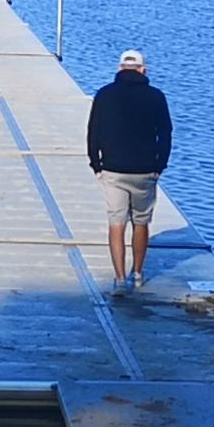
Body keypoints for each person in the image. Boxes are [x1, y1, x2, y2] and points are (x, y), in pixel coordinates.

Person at [84, 47, 172, 294]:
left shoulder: (104, 94)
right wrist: (159, 165)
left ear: (120, 69)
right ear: (143, 70)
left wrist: (96, 164)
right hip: (145, 170)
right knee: (141, 222)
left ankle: (120, 278)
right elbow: (165, 133)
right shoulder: (156, 97)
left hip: (113, 169)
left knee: (116, 223)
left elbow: (93, 131)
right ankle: (138, 273)